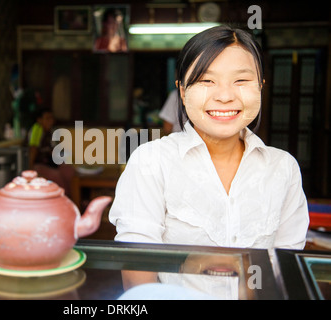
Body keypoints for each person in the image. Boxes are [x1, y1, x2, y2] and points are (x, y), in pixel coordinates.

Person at [109, 25, 309, 290]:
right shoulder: (151, 162)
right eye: (206, 80)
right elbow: (138, 276)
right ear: (182, 91)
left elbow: (285, 271)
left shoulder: (283, 168)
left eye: (241, 81)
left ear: (260, 86)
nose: (225, 96)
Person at [27, 107, 75, 198]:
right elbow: (33, 150)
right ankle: (65, 200)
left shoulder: (51, 132)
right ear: (39, 120)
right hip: (38, 164)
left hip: (51, 163)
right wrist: (30, 169)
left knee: (69, 171)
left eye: (52, 118)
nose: (51, 121)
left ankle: (74, 200)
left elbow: (55, 150)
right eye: (47, 118)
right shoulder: (37, 129)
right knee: (56, 176)